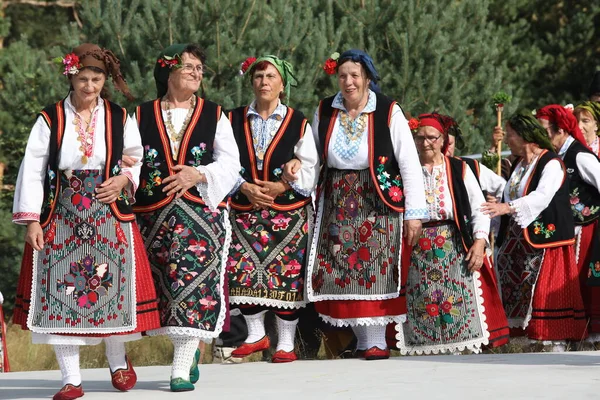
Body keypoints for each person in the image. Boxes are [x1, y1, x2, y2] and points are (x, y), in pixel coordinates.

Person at [11, 43, 160, 400]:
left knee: (112, 289)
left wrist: (124, 179)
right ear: (71, 76)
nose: (89, 86)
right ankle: (71, 378)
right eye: (82, 79)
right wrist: (33, 221)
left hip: (108, 212)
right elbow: (32, 170)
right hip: (62, 213)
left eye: (96, 79)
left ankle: (117, 360)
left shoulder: (119, 116)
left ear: (104, 80)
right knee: (60, 292)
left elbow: (137, 157)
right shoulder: (50, 118)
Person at [306, 49, 428, 360]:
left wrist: (414, 214)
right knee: (343, 268)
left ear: (367, 79)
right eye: (343, 75)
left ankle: (377, 340)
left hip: (378, 200)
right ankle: (362, 341)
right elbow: (314, 158)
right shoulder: (325, 109)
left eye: (355, 75)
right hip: (337, 197)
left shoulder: (388, 110)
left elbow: (409, 163)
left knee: (374, 265)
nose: (348, 82)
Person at [132, 43, 240, 392]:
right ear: (168, 71)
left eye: (199, 68)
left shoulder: (214, 114)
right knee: (164, 290)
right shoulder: (140, 115)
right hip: (153, 215)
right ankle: (186, 350)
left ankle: (179, 366)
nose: (196, 73)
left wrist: (199, 174)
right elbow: (129, 161)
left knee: (192, 286)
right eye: (189, 66)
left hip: (199, 213)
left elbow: (230, 163)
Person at [226, 55, 319, 363]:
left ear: (282, 84)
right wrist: (245, 187)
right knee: (242, 270)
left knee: (286, 275)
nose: (263, 82)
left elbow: (310, 165)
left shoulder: (298, 121)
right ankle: (255, 334)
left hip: (288, 212)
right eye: (258, 76)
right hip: (246, 208)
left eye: (270, 76)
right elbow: (223, 160)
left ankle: (286, 344)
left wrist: (282, 186)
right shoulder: (232, 119)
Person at [397, 113, 508, 354]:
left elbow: (479, 207)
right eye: (419, 138)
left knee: (457, 297)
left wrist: (479, 242)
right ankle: (425, 349)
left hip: (453, 241)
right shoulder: (405, 169)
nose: (425, 143)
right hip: (416, 244)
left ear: (443, 139)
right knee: (422, 300)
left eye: (431, 137)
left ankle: (463, 348)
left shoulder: (459, 168)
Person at [481, 113, 587, 351]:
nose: (507, 139)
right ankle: (524, 335)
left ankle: (552, 340)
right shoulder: (520, 164)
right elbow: (510, 191)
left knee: (545, 286)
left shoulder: (551, 163)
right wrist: (497, 200)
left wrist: (506, 207)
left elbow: (542, 196)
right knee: (518, 286)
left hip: (546, 238)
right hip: (520, 239)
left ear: (526, 137)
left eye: (511, 134)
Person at [536, 104, 600, 342]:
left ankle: (591, 335)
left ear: (561, 129)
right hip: (566, 229)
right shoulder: (554, 156)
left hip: (587, 229)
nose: (540, 137)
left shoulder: (580, 155)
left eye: (544, 131)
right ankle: (573, 332)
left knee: (582, 279)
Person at [444, 119, 506, 201]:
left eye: (449, 144)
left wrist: (499, 204)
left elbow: (502, 187)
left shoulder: (469, 166)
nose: (445, 149)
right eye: (443, 144)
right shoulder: (422, 169)